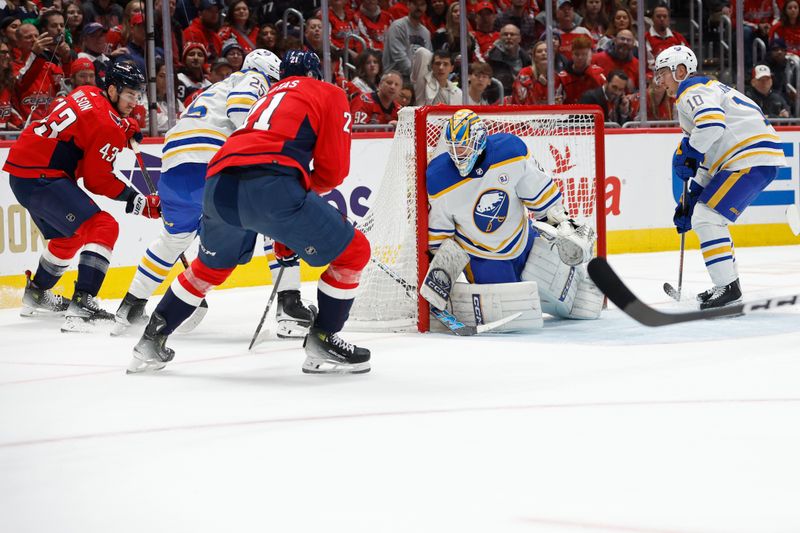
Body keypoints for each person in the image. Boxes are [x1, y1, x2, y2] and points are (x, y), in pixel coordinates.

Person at [128, 50, 372, 376]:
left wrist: (287, 224)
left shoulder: (266, 95)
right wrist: (294, 214)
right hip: (271, 182)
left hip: (217, 181)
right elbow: (334, 171)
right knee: (355, 251)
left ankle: (150, 341)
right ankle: (324, 337)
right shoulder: (329, 92)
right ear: (315, 74)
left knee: (209, 268)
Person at [116, 49, 313, 341]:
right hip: (210, 163)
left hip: (173, 165)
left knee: (174, 239)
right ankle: (289, 307)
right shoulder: (254, 79)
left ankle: (131, 306)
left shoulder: (213, 89)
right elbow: (240, 110)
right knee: (274, 218)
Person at [420, 109, 602, 333]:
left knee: (582, 304)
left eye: (464, 146)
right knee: (516, 321)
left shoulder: (511, 152)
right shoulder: (439, 178)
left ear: (479, 140)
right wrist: (441, 273)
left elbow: (541, 198)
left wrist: (562, 225)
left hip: (524, 240)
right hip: (482, 257)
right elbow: (440, 237)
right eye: (454, 147)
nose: (458, 154)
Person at [4, 63, 155, 330]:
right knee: (104, 226)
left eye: (137, 94)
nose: (135, 101)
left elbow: (88, 128)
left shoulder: (87, 92)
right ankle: (83, 303)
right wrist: (136, 200)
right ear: (112, 90)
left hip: (23, 171)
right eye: (130, 94)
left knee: (69, 236)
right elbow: (97, 181)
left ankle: (37, 293)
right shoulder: (106, 124)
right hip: (42, 175)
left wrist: (123, 128)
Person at [655, 45, 786, 308]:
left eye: (663, 73)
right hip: (748, 157)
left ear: (680, 71)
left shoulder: (691, 90)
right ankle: (727, 284)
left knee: (708, 217)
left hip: (748, 157)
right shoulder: (708, 90)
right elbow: (712, 149)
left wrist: (690, 150)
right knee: (704, 213)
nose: (659, 80)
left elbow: (712, 125)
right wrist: (692, 198)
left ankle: (727, 286)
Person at [382, 0, 432, 81]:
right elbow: (399, 57)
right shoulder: (398, 26)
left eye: (422, 4)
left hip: (416, 78)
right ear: (408, 5)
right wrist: (418, 75)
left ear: (426, 7)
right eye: (415, 4)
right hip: (395, 77)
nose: (418, 7)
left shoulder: (425, 32)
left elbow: (428, 58)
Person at [557, 35, 606, 105]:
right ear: (572, 55)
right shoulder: (563, 78)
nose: (580, 57)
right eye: (577, 54)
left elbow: (606, 97)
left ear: (590, 55)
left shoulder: (598, 73)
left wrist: (590, 72)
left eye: (584, 54)